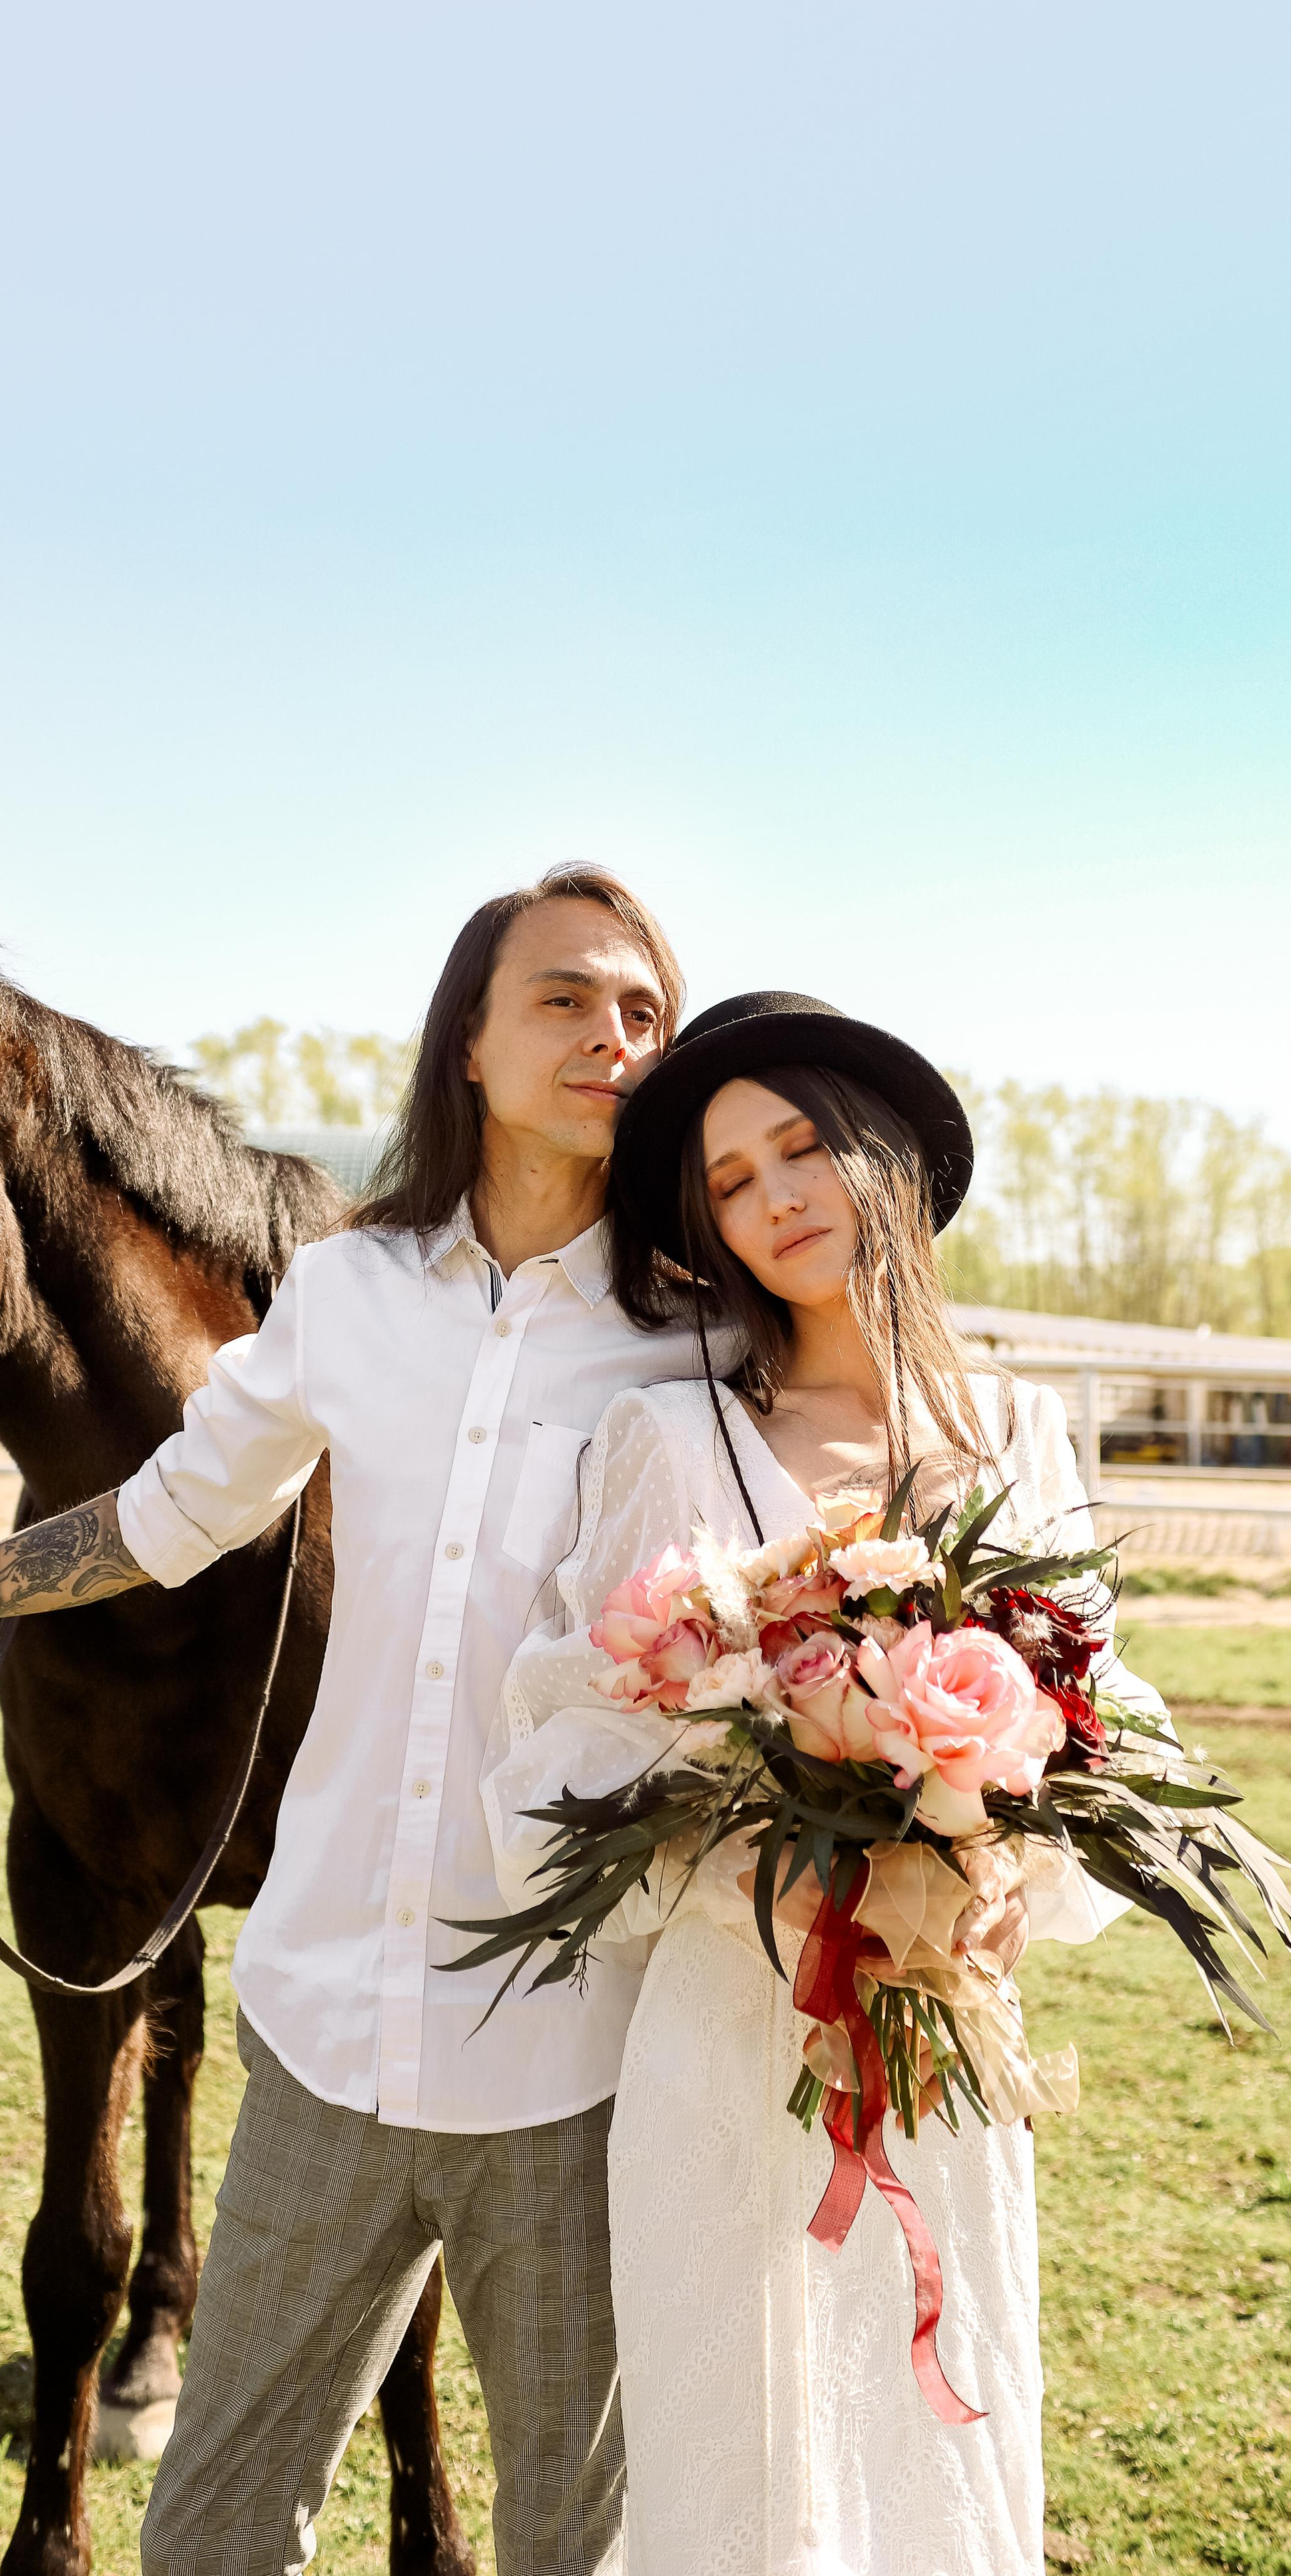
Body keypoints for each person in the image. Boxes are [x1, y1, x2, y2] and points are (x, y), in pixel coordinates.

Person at [0, 867, 720, 2576]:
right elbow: (151, 1519)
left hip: (567, 2058)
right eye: (562, 997)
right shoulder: (349, 1297)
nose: (610, 1035)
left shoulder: (702, 1335)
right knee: (207, 2538)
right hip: (324, 2044)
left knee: (576, 2541)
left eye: (642, 1008)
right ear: (468, 1042)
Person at [479, 990, 1165, 2576]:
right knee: (732, 2454)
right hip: (728, 2030)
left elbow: (1099, 1718)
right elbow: (572, 1729)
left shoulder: (1019, 1436)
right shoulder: (671, 1436)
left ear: (885, 1162)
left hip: (940, 2053)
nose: (774, 1196)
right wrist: (761, 1841)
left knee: (939, 2420)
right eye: (727, 1181)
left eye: (798, 1148)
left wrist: (986, 1860)